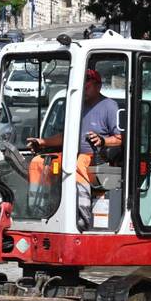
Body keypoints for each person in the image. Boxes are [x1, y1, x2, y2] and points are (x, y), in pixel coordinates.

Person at [26, 69, 121, 230]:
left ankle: (82, 216)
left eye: (87, 84)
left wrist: (102, 140)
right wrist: (42, 142)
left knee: (78, 163)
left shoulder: (109, 106)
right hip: (71, 155)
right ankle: (38, 210)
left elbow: (119, 139)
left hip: (97, 158)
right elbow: (66, 136)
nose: (83, 87)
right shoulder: (77, 106)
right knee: (38, 163)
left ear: (98, 86)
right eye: (81, 83)